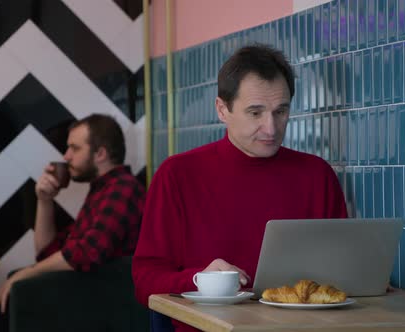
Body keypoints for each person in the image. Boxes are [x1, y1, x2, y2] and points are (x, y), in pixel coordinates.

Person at [132, 44, 348, 331]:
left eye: (280, 111)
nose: (271, 128)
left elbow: (344, 267)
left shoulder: (316, 174)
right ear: (222, 109)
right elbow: (145, 280)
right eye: (255, 113)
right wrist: (200, 280)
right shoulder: (177, 175)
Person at [0, 114, 146, 325]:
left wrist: (26, 274)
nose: (66, 156)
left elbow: (87, 253)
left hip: (92, 306)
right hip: (71, 297)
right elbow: (48, 252)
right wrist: (44, 201)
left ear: (100, 154)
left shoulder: (123, 189)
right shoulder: (102, 190)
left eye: (75, 148)